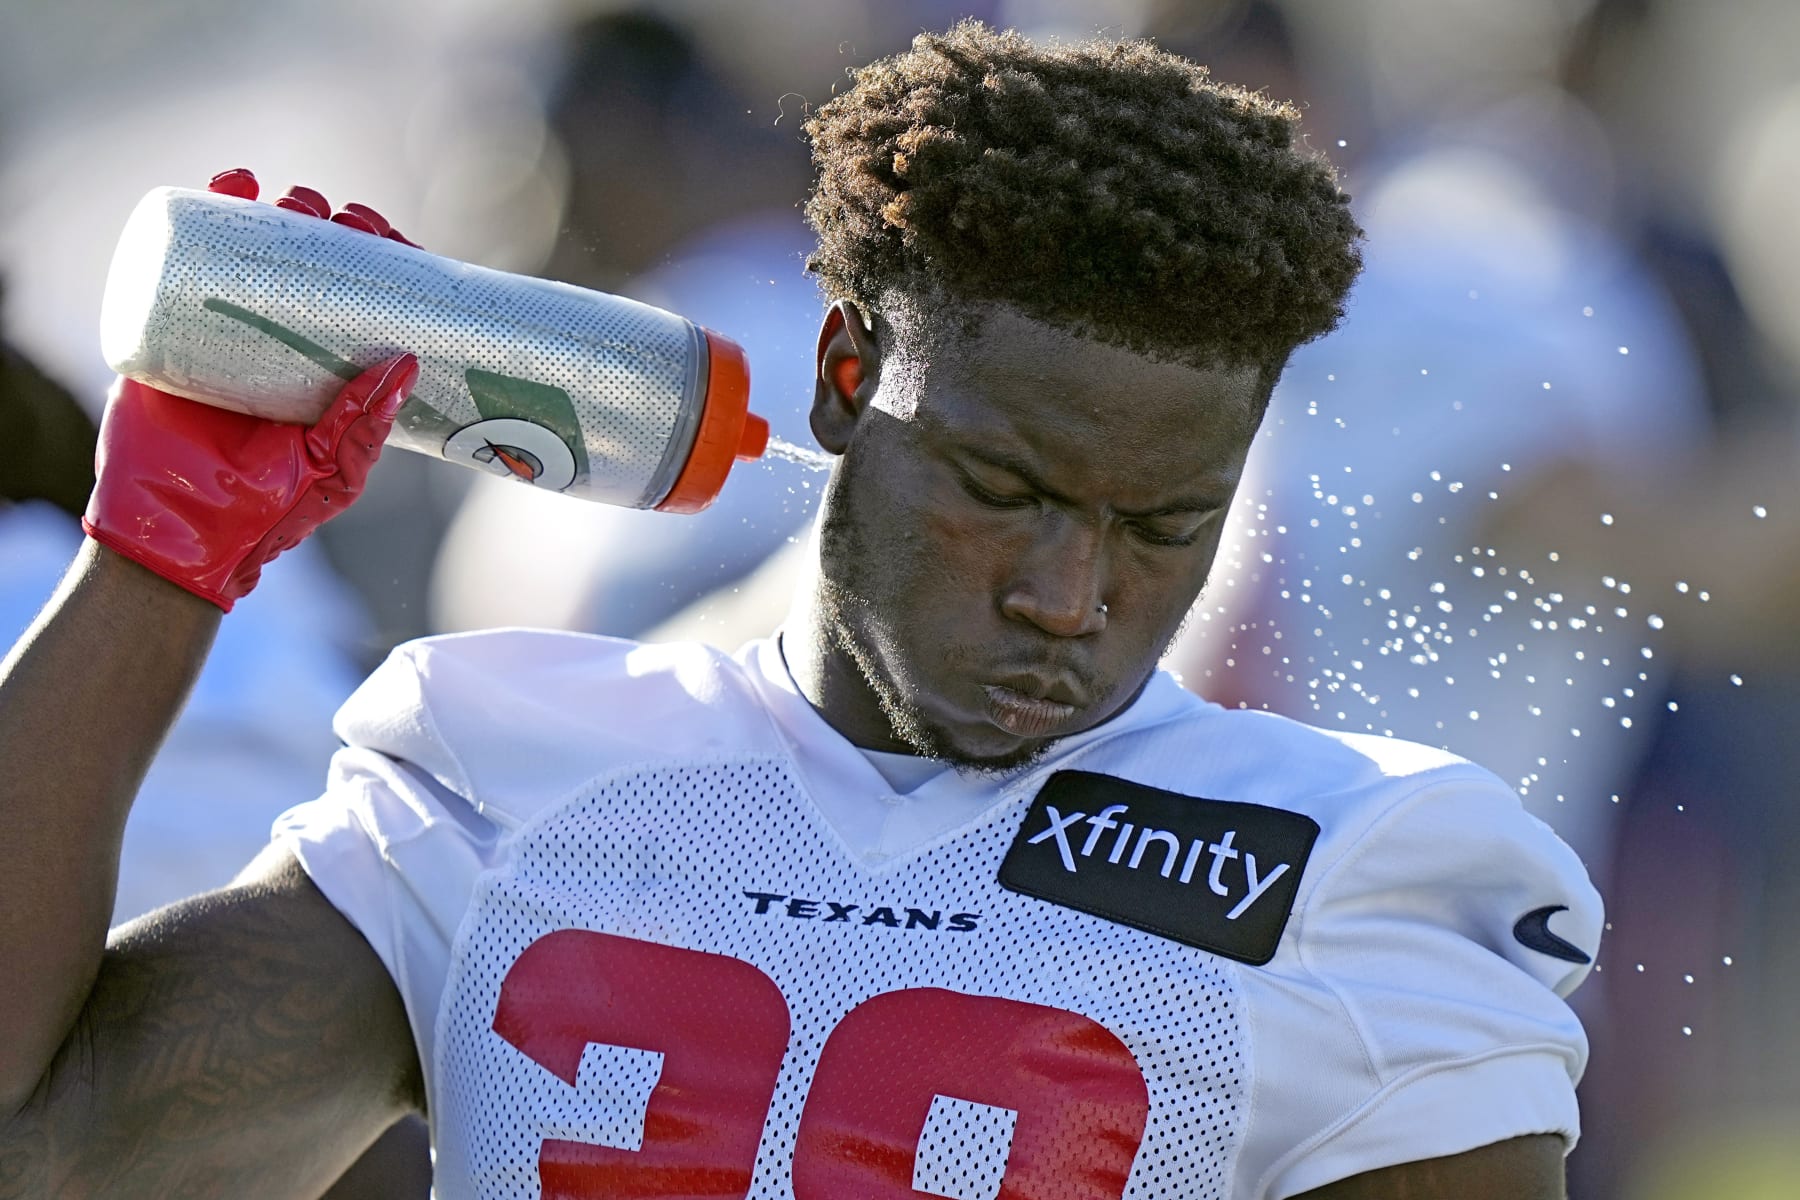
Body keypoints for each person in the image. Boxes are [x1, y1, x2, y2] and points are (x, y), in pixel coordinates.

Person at [0, 22, 1598, 1198]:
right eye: (1005, 488)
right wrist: (157, 562)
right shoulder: (516, 771)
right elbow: (43, 1147)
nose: (1068, 598)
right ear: (848, 380)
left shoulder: (1356, 874)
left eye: (1161, 525)